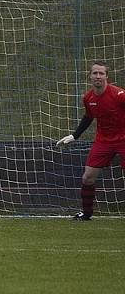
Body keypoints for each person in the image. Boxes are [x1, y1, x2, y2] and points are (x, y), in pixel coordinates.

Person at [56, 60, 125, 221]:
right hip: (103, 141)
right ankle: (86, 213)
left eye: (101, 73)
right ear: (90, 77)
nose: (98, 76)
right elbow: (88, 117)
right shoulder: (88, 98)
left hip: (123, 139)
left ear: (107, 77)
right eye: (95, 73)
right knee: (88, 177)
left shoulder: (119, 95)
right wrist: (74, 136)